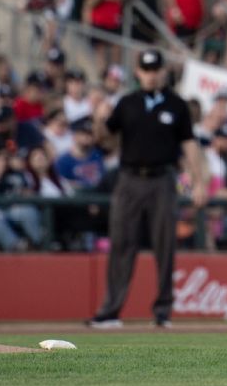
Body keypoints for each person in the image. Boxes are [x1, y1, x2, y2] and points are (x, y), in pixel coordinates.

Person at [87, 49, 208, 328]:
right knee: (121, 243)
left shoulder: (177, 105)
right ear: (139, 72)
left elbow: (190, 144)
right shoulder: (127, 103)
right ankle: (110, 311)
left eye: (155, 70)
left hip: (163, 179)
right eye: (146, 70)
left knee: (165, 245)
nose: (151, 75)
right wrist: (99, 119)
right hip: (129, 178)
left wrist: (198, 182)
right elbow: (106, 138)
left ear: (163, 72)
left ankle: (163, 312)